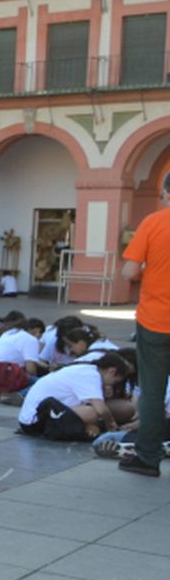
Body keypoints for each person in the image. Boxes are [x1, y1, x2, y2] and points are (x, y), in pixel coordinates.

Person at [120, 172, 170, 477]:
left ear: (166, 193)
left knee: (152, 391)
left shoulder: (153, 223)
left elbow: (128, 271)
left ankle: (148, 458)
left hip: (155, 321)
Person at [17, 352, 135, 442]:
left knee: (125, 408)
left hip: (55, 410)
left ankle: (90, 426)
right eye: (115, 381)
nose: (112, 385)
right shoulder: (90, 375)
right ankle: (89, 426)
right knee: (92, 413)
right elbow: (101, 409)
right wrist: (112, 426)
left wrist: (106, 393)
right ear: (112, 371)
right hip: (35, 420)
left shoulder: (91, 371)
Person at [0, 317, 47, 401]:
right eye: (40, 336)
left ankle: (8, 395)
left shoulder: (9, 333)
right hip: (0, 377)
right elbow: (31, 370)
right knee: (43, 383)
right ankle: (18, 395)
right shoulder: (31, 339)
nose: (39, 339)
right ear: (37, 331)